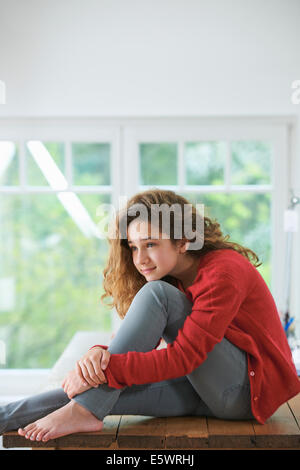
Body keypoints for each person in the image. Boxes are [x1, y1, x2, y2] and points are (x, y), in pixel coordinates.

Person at [1, 189, 299, 443]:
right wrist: (98, 357)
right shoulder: (175, 277)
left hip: (244, 394)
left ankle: (86, 411)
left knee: (153, 298)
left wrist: (107, 368)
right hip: (206, 388)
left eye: (151, 244)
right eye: (133, 247)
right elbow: (136, 345)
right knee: (90, 391)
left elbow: (184, 357)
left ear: (183, 241)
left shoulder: (223, 272)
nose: (140, 259)